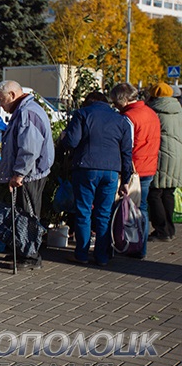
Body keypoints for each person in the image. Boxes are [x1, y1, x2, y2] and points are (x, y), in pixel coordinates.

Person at [60, 91, 132, 266]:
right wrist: (126, 179)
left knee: (83, 212)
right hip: (111, 171)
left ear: (89, 102)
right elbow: (126, 152)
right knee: (104, 214)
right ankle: (102, 256)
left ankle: (82, 254)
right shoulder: (121, 120)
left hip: (86, 168)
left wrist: (63, 138)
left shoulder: (83, 114)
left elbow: (71, 141)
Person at [0, 80, 55, 270]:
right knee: (23, 213)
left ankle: (30, 256)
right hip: (30, 173)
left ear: (12, 95)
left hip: (30, 175)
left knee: (28, 215)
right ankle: (23, 252)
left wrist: (19, 174)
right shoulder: (24, 110)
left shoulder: (27, 112)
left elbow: (29, 149)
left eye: (2, 100)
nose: (1, 106)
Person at [110, 83, 161, 256]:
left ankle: (123, 243)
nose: (114, 105)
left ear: (122, 99)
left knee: (121, 207)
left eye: (115, 101)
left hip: (133, 169)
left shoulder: (128, 117)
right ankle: (140, 247)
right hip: (149, 166)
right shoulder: (151, 113)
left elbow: (126, 145)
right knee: (141, 208)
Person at [146, 82, 182, 242]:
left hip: (160, 154)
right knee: (168, 192)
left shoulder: (154, 111)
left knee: (155, 193)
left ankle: (161, 230)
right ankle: (170, 229)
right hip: (177, 156)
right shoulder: (179, 110)